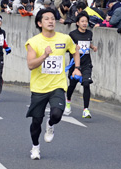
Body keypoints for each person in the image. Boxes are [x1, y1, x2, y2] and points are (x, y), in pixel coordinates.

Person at [25, 9, 82, 160]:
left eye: (53, 18)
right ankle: (35, 147)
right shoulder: (34, 42)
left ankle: (50, 125)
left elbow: (75, 51)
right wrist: (44, 55)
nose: (51, 21)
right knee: (36, 121)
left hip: (58, 84)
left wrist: (77, 68)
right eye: (47, 19)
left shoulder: (64, 39)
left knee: (57, 114)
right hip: (39, 87)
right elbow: (30, 65)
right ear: (39, 23)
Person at [64, 12, 98, 118]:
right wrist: (75, 48)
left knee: (86, 83)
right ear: (77, 23)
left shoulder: (89, 33)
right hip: (75, 65)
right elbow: (68, 48)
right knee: (72, 86)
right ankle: (68, 102)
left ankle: (86, 109)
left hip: (87, 64)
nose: (84, 23)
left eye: (86, 21)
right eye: (82, 21)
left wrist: (92, 47)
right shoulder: (72, 35)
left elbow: (87, 42)